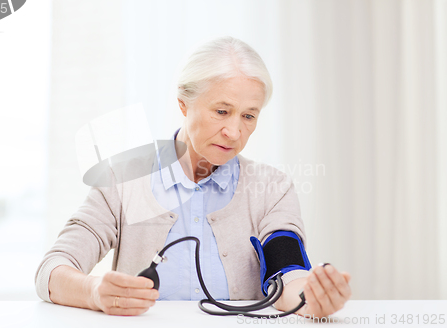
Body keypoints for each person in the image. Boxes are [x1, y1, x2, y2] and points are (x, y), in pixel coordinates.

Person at [35, 36, 351, 317]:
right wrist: (94, 293)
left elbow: (287, 271)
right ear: (184, 105)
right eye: (222, 111)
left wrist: (311, 298)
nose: (234, 131)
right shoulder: (123, 178)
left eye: (249, 115)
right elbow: (52, 270)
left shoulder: (272, 188)